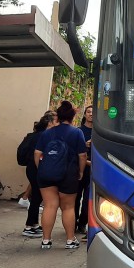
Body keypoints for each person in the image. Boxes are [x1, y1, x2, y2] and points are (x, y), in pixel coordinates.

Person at [35, 101, 87, 250]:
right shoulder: (77, 132)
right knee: (68, 207)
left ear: (58, 117)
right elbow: (82, 155)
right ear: (72, 117)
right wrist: (81, 171)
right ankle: (70, 240)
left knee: (49, 205)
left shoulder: (47, 132)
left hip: (47, 174)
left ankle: (46, 240)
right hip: (68, 173)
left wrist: (42, 168)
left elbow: (37, 153)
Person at [20, 111, 57, 237]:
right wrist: (40, 169)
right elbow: (39, 154)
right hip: (36, 168)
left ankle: (34, 223)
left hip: (32, 168)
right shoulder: (44, 136)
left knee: (37, 196)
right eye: (55, 121)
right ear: (49, 123)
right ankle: (29, 226)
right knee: (36, 197)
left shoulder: (36, 134)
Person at [75, 105, 92, 237]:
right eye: (89, 112)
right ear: (85, 114)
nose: (91, 114)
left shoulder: (99, 132)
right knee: (75, 197)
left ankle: (82, 223)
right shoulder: (79, 131)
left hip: (94, 169)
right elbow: (73, 151)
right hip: (79, 168)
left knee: (88, 199)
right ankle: (72, 221)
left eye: (93, 112)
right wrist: (84, 144)